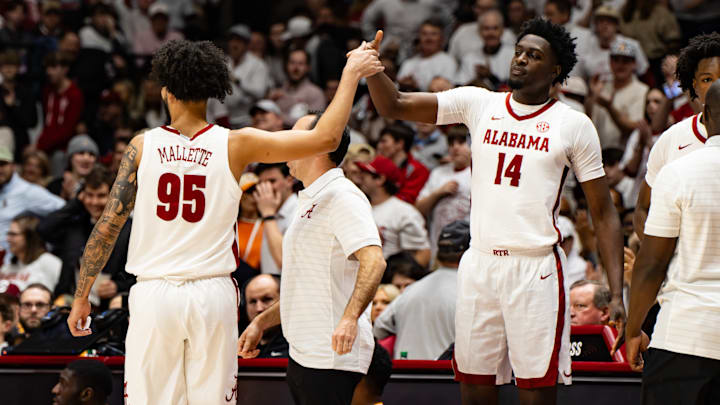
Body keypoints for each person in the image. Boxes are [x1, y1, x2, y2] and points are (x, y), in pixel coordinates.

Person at [66, 38, 383, 405]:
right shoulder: (237, 143)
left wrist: (82, 296)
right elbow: (326, 138)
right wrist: (350, 73)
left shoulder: (142, 145)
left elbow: (107, 226)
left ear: (165, 92)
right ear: (213, 92)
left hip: (154, 296)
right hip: (211, 295)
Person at [363, 18, 625, 405]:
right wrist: (373, 68)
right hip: (480, 263)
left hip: (534, 269)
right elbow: (394, 103)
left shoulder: (573, 124)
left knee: (535, 391)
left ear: (555, 70)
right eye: (519, 51)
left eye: (533, 55)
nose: (520, 60)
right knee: (474, 385)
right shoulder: (479, 103)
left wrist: (617, 291)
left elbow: (603, 214)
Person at [238, 113, 387, 405]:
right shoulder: (311, 199)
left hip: (331, 356)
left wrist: (349, 318)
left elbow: (375, 261)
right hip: (306, 354)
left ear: (320, 143)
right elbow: (304, 288)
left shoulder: (342, 196)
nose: (287, 144)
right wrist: (261, 323)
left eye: (296, 136)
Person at [617, 79, 720, 404]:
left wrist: (633, 329)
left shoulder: (679, 172)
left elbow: (651, 263)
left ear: (703, 118)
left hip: (686, 336)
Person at [634, 32, 720, 238]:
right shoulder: (671, 139)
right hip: (685, 266)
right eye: (707, 79)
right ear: (694, 86)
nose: (717, 86)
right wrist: (661, 259)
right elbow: (643, 209)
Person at [374, 220, 468, 360]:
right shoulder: (472, 293)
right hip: (448, 377)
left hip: (407, 375)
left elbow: (380, 328)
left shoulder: (410, 291)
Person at [38, 166, 134, 300]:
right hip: (70, 303)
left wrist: (119, 286)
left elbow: (142, 272)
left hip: (110, 306)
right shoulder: (75, 225)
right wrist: (76, 202)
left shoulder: (130, 229)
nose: (94, 202)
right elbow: (44, 229)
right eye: (89, 195)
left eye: (101, 196)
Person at [355, 156, 432, 267]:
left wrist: (400, 279)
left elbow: (422, 253)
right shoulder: (358, 206)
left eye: (365, 173)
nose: (360, 177)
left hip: (387, 279)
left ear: (380, 179)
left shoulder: (404, 212)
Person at [416, 130, 472, 261]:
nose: (455, 147)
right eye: (451, 143)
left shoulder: (480, 173)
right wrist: (438, 193)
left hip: (468, 248)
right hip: (438, 246)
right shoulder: (438, 173)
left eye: (461, 142)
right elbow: (419, 209)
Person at [0, 146, 65, 257]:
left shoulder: (27, 191)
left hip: (14, 265)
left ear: (13, 166)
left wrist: (47, 244)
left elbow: (63, 209)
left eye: (2, 164)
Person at [254, 162, 297, 275]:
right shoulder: (272, 211)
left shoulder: (299, 212)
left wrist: (268, 214)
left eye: (271, 181)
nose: (265, 188)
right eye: (260, 183)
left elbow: (285, 262)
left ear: (289, 181)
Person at [0, 214, 62, 292]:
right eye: (8, 234)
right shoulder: (7, 267)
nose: (8, 239)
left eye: (13, 234)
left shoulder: (49, 262)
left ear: (29, 237)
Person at [375, 123, 429, 204]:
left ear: (399, 144)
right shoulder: (377, 164)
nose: (379, 146)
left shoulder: (418, 171)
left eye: (384, 141)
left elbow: (407, 200)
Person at [242, 274, 288, 358]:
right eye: (252, 301)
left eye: (267, 299)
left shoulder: (297, 346)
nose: (259, 308)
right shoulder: (234, 345)